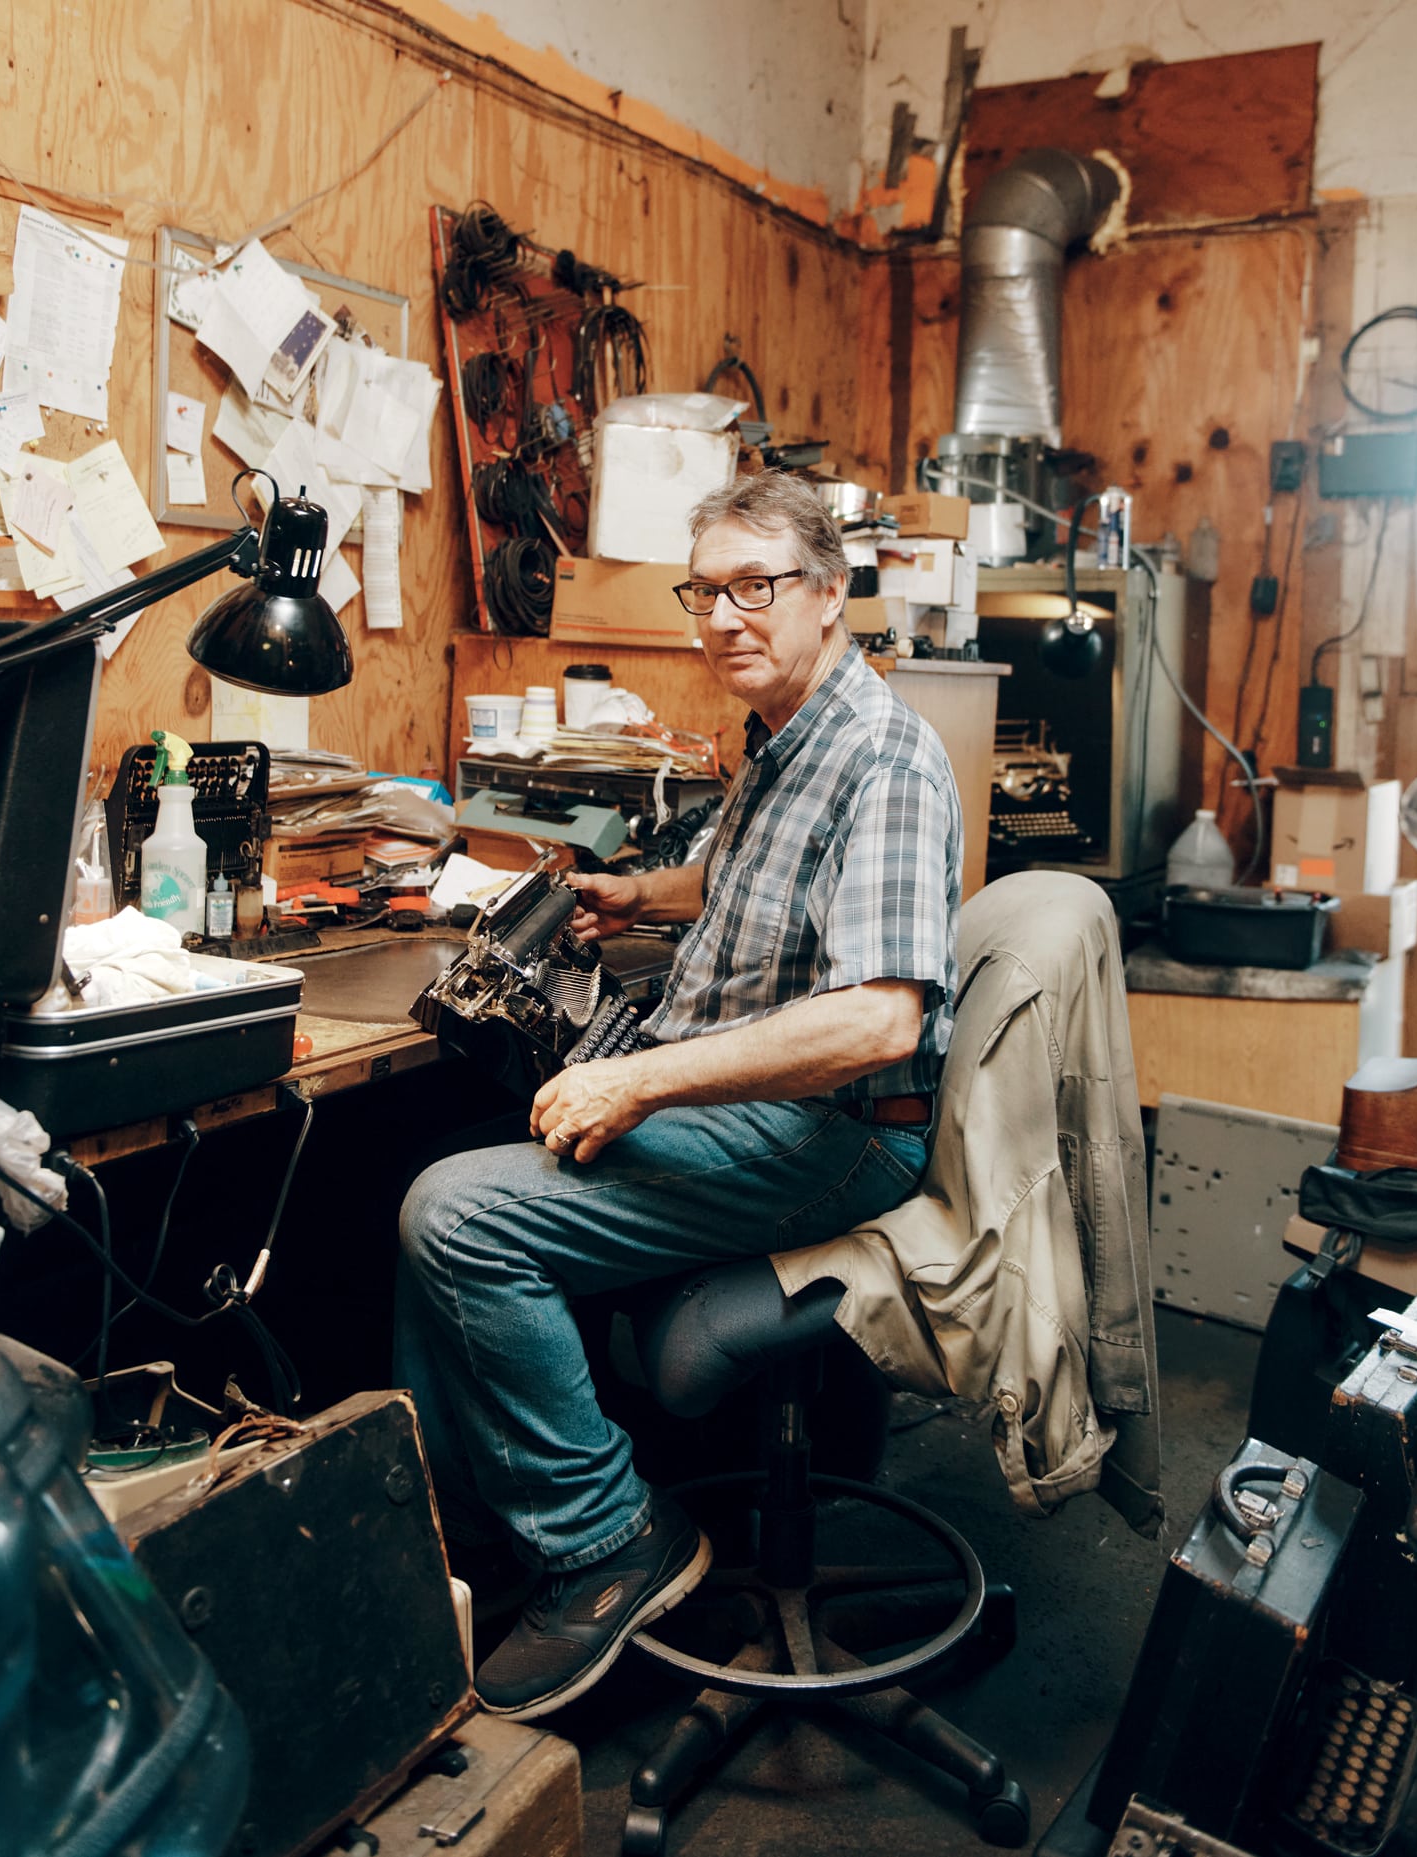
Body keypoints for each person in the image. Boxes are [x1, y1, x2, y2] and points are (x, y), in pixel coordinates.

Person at [396, 469, 964, 1720]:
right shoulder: (787, 739)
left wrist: (640, 1079)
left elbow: (878, 1019)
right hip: (755, 1103)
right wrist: (639, 896)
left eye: (755, 587)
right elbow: (748, 884)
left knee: (457, 1213)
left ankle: (605, 1542)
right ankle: (466, 1552)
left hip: (836, 1131)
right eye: (704, 590)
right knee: (439, 1168)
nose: (722, 617)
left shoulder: (884, 759)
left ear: (830, 595)